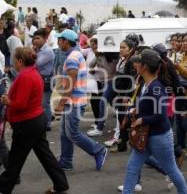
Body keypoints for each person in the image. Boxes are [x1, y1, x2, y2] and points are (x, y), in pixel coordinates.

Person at [0, 47, 69, 194]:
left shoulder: (25, 75)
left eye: (14, 59)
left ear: (19, 61)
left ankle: (4, 188)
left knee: (15, 160)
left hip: (27, 123)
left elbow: (21, 103)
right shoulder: (32, 71)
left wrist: (8, 102)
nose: (12, 62)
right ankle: (61, 184)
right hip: (35, 120)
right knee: (45, 155)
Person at [122, 49, 187, 194]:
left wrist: (141, 119)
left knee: (171, 170)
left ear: (144, 66)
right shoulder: (145, 83)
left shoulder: (157, 87)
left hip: (159, 137)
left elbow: (161, 115)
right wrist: (135, 109)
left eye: (138, 62)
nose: (135, 64)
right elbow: (148, 105)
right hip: (145, 136)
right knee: (132, 167)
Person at [54, 29, 107, 171]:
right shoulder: (76, 54)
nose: (58, 43)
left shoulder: (72, 58)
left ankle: (98, 150)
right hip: (74, 101)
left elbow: (70, 83)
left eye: (60, 40)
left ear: (65, 41)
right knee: (65, 133)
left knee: (73, 133)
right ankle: (66, 162)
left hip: (74, 103)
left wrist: (60, 104)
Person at [32, 28, 55, 131]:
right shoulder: (39, 50)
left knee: (44, 103)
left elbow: (36, 64)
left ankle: (47, 124)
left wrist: (33, 53)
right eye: (34, 38)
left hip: (46, 79)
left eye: (38, 38)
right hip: (40, 78)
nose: (35, 40)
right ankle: (45, 121)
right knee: (41, 103)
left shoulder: (47, 51)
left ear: (44, 39)